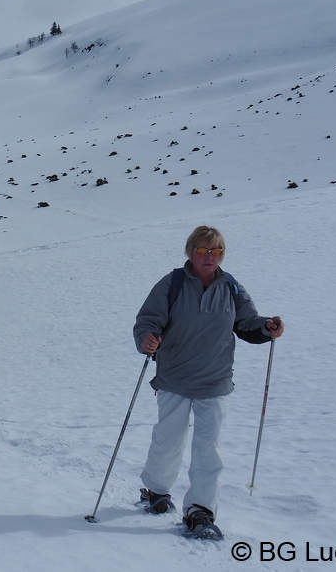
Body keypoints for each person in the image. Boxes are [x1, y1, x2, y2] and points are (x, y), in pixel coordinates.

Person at [133, 225, 284, 536]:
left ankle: (200, 511)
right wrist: (147, 339)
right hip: (175, 376)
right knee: (168, 440)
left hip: (215, 380)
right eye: (203, 250)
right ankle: (156, 491)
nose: (209, 257)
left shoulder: (231, 287)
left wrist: (267, 327)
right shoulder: (172, 283)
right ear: (191, 251)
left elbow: (246, 323)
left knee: (209, 449)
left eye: (216, 251)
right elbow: (148, 320)